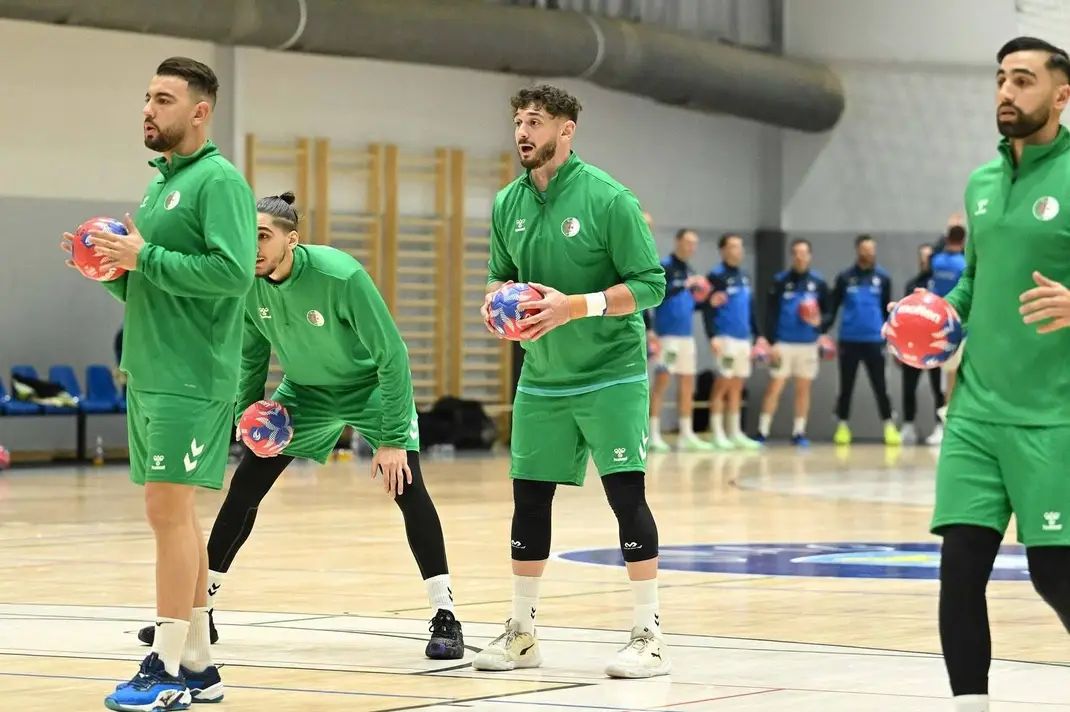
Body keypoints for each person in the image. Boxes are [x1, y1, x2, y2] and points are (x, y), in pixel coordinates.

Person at [133, 192, 465, 660]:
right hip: (304, 393)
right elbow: (251, 355)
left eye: (264, 236)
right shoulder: (247, 283)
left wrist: (391, 439)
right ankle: (198, 612)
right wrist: (245, 416)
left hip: (369, 386)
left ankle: (445, 616)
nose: (254, 247)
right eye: (249, 236)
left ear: (293, 238)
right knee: (244, 488)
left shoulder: (340, 275)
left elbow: (393, 356)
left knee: (407, 487)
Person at [62, 57, 256, 709]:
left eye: (164, 99)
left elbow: (233, 275)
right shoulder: (158, 188)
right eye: (146, 97)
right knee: (176, 517)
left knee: (166, 514)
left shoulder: (219, 183)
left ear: (200, 112)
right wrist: (110, 270)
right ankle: (198, 661)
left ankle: (165, 664)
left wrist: (143, 255)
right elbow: (157, 287)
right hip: (149, 370)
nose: (149, 108)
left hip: (192, 377)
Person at [899, 36, 1070, 712]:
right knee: (959, 573)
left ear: (1061, 95)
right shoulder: (980, 183)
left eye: (1023, 80)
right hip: (973, 414)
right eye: (1001, 78)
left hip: (1053, 415)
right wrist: (936, 316)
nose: (1006, 91)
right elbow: (975, 278)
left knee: (1054, 574)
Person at [475, 84, 669, 678]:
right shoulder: (507, 202)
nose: (522, 132)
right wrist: (497, 310)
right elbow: (497, 278)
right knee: (528, 498)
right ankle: (523, 631)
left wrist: (574, 306)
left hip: (611, 373)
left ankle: (648, 634)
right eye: (517, 121)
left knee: (625, 497)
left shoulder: (610, 199)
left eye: (535, 121)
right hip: (543, 375)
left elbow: (650, 285)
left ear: (567, 130)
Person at [824, 234, 900, 446]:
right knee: (846, 386)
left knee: (881, 385)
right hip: (849, 340)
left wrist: (893, 340)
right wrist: (821, 329)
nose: (869, 253)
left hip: (874, 340)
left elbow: (887, 312)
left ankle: (889, 426)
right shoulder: (844, 278)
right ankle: (842, 426)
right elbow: (832, 308)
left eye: (872, 249)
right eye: (865, 249)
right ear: (858, 250)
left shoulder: (883, 278)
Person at [755, 238, 831, 446]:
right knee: (774, 387)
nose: (800, 256)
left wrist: (821, 325)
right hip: (783, 344)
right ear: (792, 256)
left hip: (808, 345)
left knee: (803, 388)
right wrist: (769, 342)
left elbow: (828, 313)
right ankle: (762, 431)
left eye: (804, 253)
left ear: (810, 256)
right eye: (796, 253)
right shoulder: (780, 280)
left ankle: (799, 433)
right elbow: (769, 312)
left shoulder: (818, 282)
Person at [648, 228, 714, 452]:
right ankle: (653, 434)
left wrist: (707, 301)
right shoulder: (665, 266)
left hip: (687, 337)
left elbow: (691, 302)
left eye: (695, 244)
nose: (691, 248)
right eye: (687, 242)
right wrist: (684, 285)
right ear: (678, 242)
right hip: (668, 336)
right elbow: (659, 295)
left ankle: (686, 433)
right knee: (662, 383)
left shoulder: (689, 269)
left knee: (687, 384)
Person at [702, 234, 768, 450]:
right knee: (722, 383)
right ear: (723, 250)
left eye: (739, 247)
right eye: (732, 247)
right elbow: (707, 309)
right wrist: (712, 336)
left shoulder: (745, 276)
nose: (737, 251)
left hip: (743, 339)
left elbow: (751, 309)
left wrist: (758, 335)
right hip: (725, 337)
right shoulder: (715, 276)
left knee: (738, 386)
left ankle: (735, 431)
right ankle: (717, 432)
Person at [926, 223, 969, 445]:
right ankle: (948, 425)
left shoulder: (937, 261)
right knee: (955, 381)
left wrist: (946, 231)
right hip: (960, 328)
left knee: (946, 381)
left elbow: (933, 250)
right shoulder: (964, 263)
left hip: (936, 325)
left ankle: (944, 425)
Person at [898, 244, 945, 445]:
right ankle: (908, 425)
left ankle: (940, 426)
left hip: (936, 345)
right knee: (909, 386)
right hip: (913, 345)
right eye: (922, 257)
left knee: (938, 388)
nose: (925, 260)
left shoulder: (941, 283)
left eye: (929, 257)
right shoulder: (912, 285)